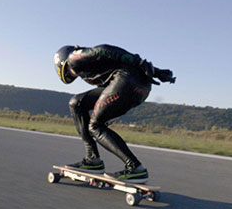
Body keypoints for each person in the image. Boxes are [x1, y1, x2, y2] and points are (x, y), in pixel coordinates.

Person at [53, 44, 175, 183]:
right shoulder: (90, 65)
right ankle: (92, 159)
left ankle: (135, 168)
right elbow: (124, 61)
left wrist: (138, 61)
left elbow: (104, 49)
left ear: (63, 64)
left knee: (95, 126)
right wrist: (157, 72)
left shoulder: (73, 58)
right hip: (139, 87)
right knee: (76, 103)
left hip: (125, 82)